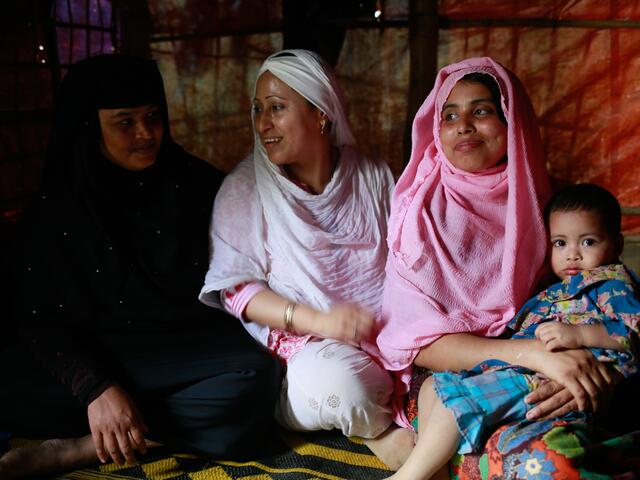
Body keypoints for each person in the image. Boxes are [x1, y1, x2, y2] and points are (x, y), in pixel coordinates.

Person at [0, 54, 281, 478]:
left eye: (152, 116)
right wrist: (97, 389)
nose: (146, 134)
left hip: (177, 350)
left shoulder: (197, 185)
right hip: (94, 352)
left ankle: (87, 445)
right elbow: (40, 319)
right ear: (91, 125)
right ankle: (127, 424)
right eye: (125, 122)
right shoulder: (58, 207)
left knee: (256, 378)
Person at [364, 57, 620, 473]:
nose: (463, 125)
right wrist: (533, 355)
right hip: (446, 381)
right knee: (529, 462)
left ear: (511, 122)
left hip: (540, 375)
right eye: (450, 115)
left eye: (481, 110)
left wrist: (592, 370)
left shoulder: (551, 210)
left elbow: (596, 297)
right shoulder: (418, 215)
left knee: (560, 454)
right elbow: (420, 343)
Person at [199, 49, 395, 440]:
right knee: (348, 389)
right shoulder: (245, 188)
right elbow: (239, 293)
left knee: (448, 369)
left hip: (388, 333)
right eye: (257, 110)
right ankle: (384, 431)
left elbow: (407, 257)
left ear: (321, 112)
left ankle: (389, 425)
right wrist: (321, 321)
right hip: (307, 347)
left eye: (276, 107)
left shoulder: (373, 176)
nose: (263, 124)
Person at [388, 183, 640, 480]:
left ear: (617, 245)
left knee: (451, 400)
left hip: (560, 380)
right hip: (523, 370)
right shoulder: (550, 291)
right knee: (433, 390)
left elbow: (632, 331)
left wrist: (581, 337)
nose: (573, 255)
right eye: (560, 243)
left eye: (587, 242)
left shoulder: (612, 284)